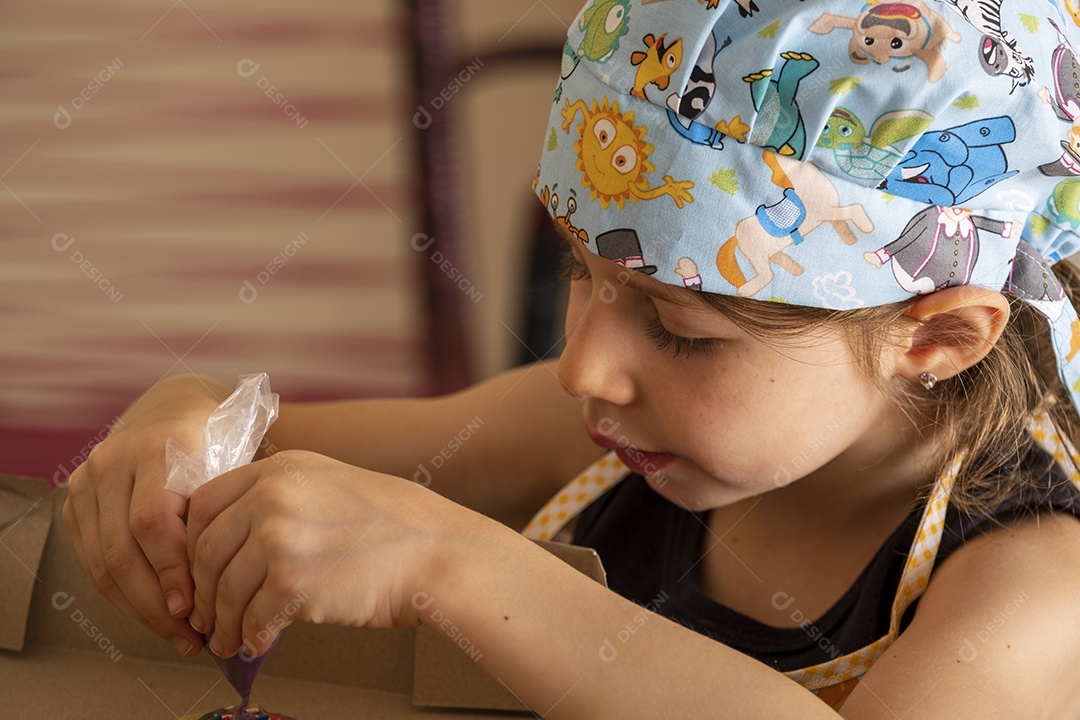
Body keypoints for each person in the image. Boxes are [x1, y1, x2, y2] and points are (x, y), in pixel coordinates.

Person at [65, 0, 1080, 715]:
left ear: (938, 337)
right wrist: (183, 414)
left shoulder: (1035, 583)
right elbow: (266, 443)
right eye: (581, 273)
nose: (581, 369)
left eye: (678, 328)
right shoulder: (608, 434)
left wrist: (452, 560)